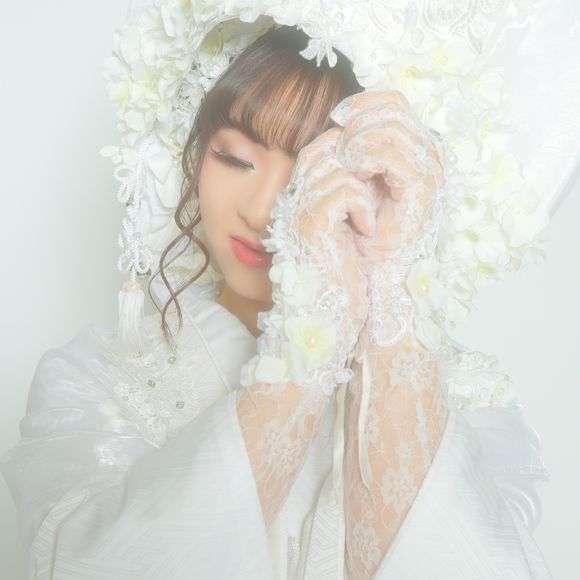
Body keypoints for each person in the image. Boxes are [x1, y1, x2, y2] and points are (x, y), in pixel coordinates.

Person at [0, 20, 553, 580]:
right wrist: (311, 340)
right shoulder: (95, 379)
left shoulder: (468, 400)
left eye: (314, 179)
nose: (263, 210)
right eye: (236, 159)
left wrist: (386, 290)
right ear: (193, 154)